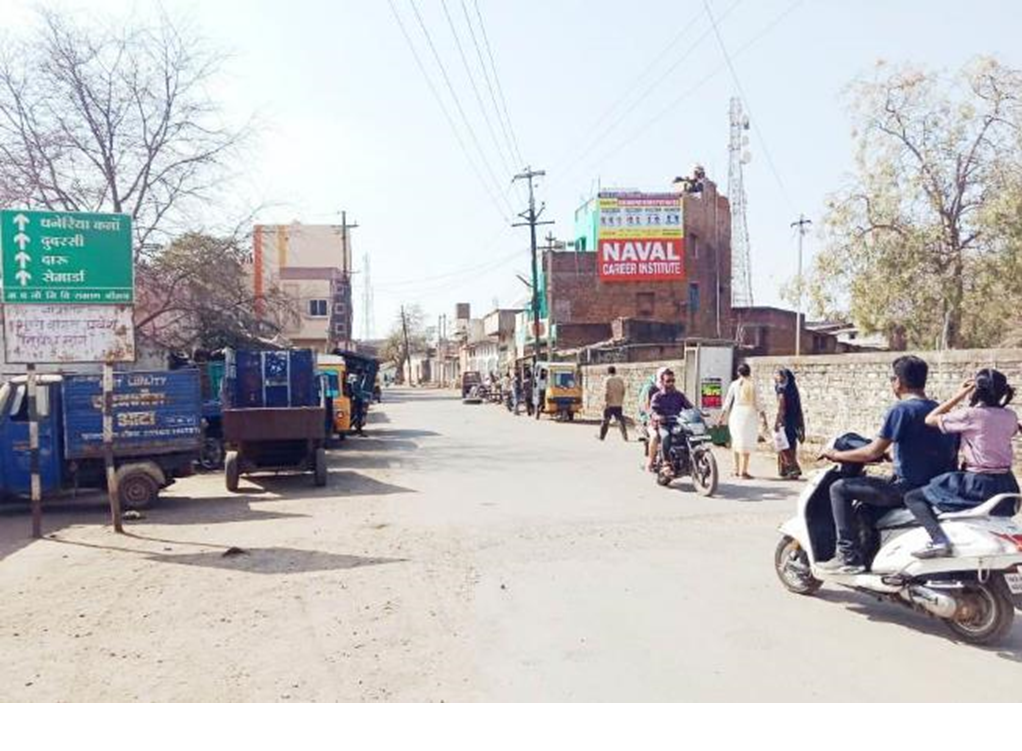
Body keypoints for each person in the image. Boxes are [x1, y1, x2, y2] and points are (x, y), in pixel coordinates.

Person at [819, 356, 959, 574]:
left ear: (897, 382)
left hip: (907, 489)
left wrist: (837, 454)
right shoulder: (941, 411)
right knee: (865, 509)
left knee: (839, 488)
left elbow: (872, 451)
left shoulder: (901, 410)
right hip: (938, 488)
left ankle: (848, 557)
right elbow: (934, 450)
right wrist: (891, 456)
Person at [902, 370, 1021, 559]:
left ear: (976, 391)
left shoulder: (970, 415)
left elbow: (930, 419)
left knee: (913, 497)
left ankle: (939, 540)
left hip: (977, 484)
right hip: (1007, 483)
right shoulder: (1010, 416)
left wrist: (960, 394)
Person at [647, 369, 694, 475]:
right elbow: (652, 411)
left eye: (673, 380)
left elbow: (689, 407)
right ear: (662, 382)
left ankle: (689, 459)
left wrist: (698, 413)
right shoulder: (657, 396)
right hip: (664, 424)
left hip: (677, 423)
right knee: (666, 436)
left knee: (689, 434)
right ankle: (666, 462)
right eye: (668, 381)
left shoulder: (679, 395)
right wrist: (657, 416)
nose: (671, 383)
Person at [720, 363, 762, 479]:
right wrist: (763, 417)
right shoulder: (753, 385)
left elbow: (727, 402)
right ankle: (743, 471)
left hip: (737, 414)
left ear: (738, 373)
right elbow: (758, 403)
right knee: (746, 442)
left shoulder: (734, 384)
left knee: (736, 442)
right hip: (749, 414)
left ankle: (735, 470)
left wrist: (721, 417)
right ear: (749, 372)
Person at [774, 369, 806, 479]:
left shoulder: (782, 389)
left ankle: (792, 469)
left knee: (783, 445)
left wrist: (777, 421)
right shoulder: (793, 389)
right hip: (794, 421)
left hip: (785, 421)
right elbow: (799, 408)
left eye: (777, 375)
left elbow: (781, 408)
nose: (776, 377)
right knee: (791, 444)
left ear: (783, 377)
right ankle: (786, 470)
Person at [641, 367, 670, 470]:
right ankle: (650, 461)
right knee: (654, 436)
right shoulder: (652, 389)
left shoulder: (673, 390)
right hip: (653, 421)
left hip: (669, 420)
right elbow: (647, 407)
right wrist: (653, 416)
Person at [599, 366, 628, 441]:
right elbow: (623, 390)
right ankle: (625, 436)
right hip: (618, 403)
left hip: (609, 403)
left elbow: (606, 391)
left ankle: (602, 436)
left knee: (606, 420)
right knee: (620, 419)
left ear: (608, 372)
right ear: (615, 371)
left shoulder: (607, 380)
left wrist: (605, 401)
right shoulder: (620, 380)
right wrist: (621, 399)